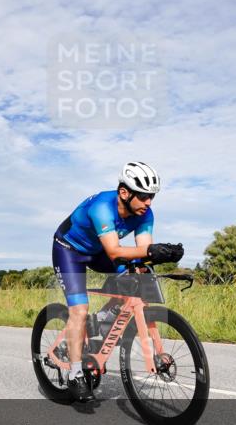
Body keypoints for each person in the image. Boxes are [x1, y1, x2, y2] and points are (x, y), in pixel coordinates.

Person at [52, 162, 183, 403]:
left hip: (99, 251)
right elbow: (114, 252)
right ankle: (75, 372)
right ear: (125, 192)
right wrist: (151, 251)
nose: (149, 203)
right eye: (144, 197)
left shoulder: (145, 214)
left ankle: (102, 319)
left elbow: (143, 250)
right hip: (70, 251)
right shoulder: (102, 207)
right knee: (79, 311)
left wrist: (161, 254)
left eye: (151, 197)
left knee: (139, 274)